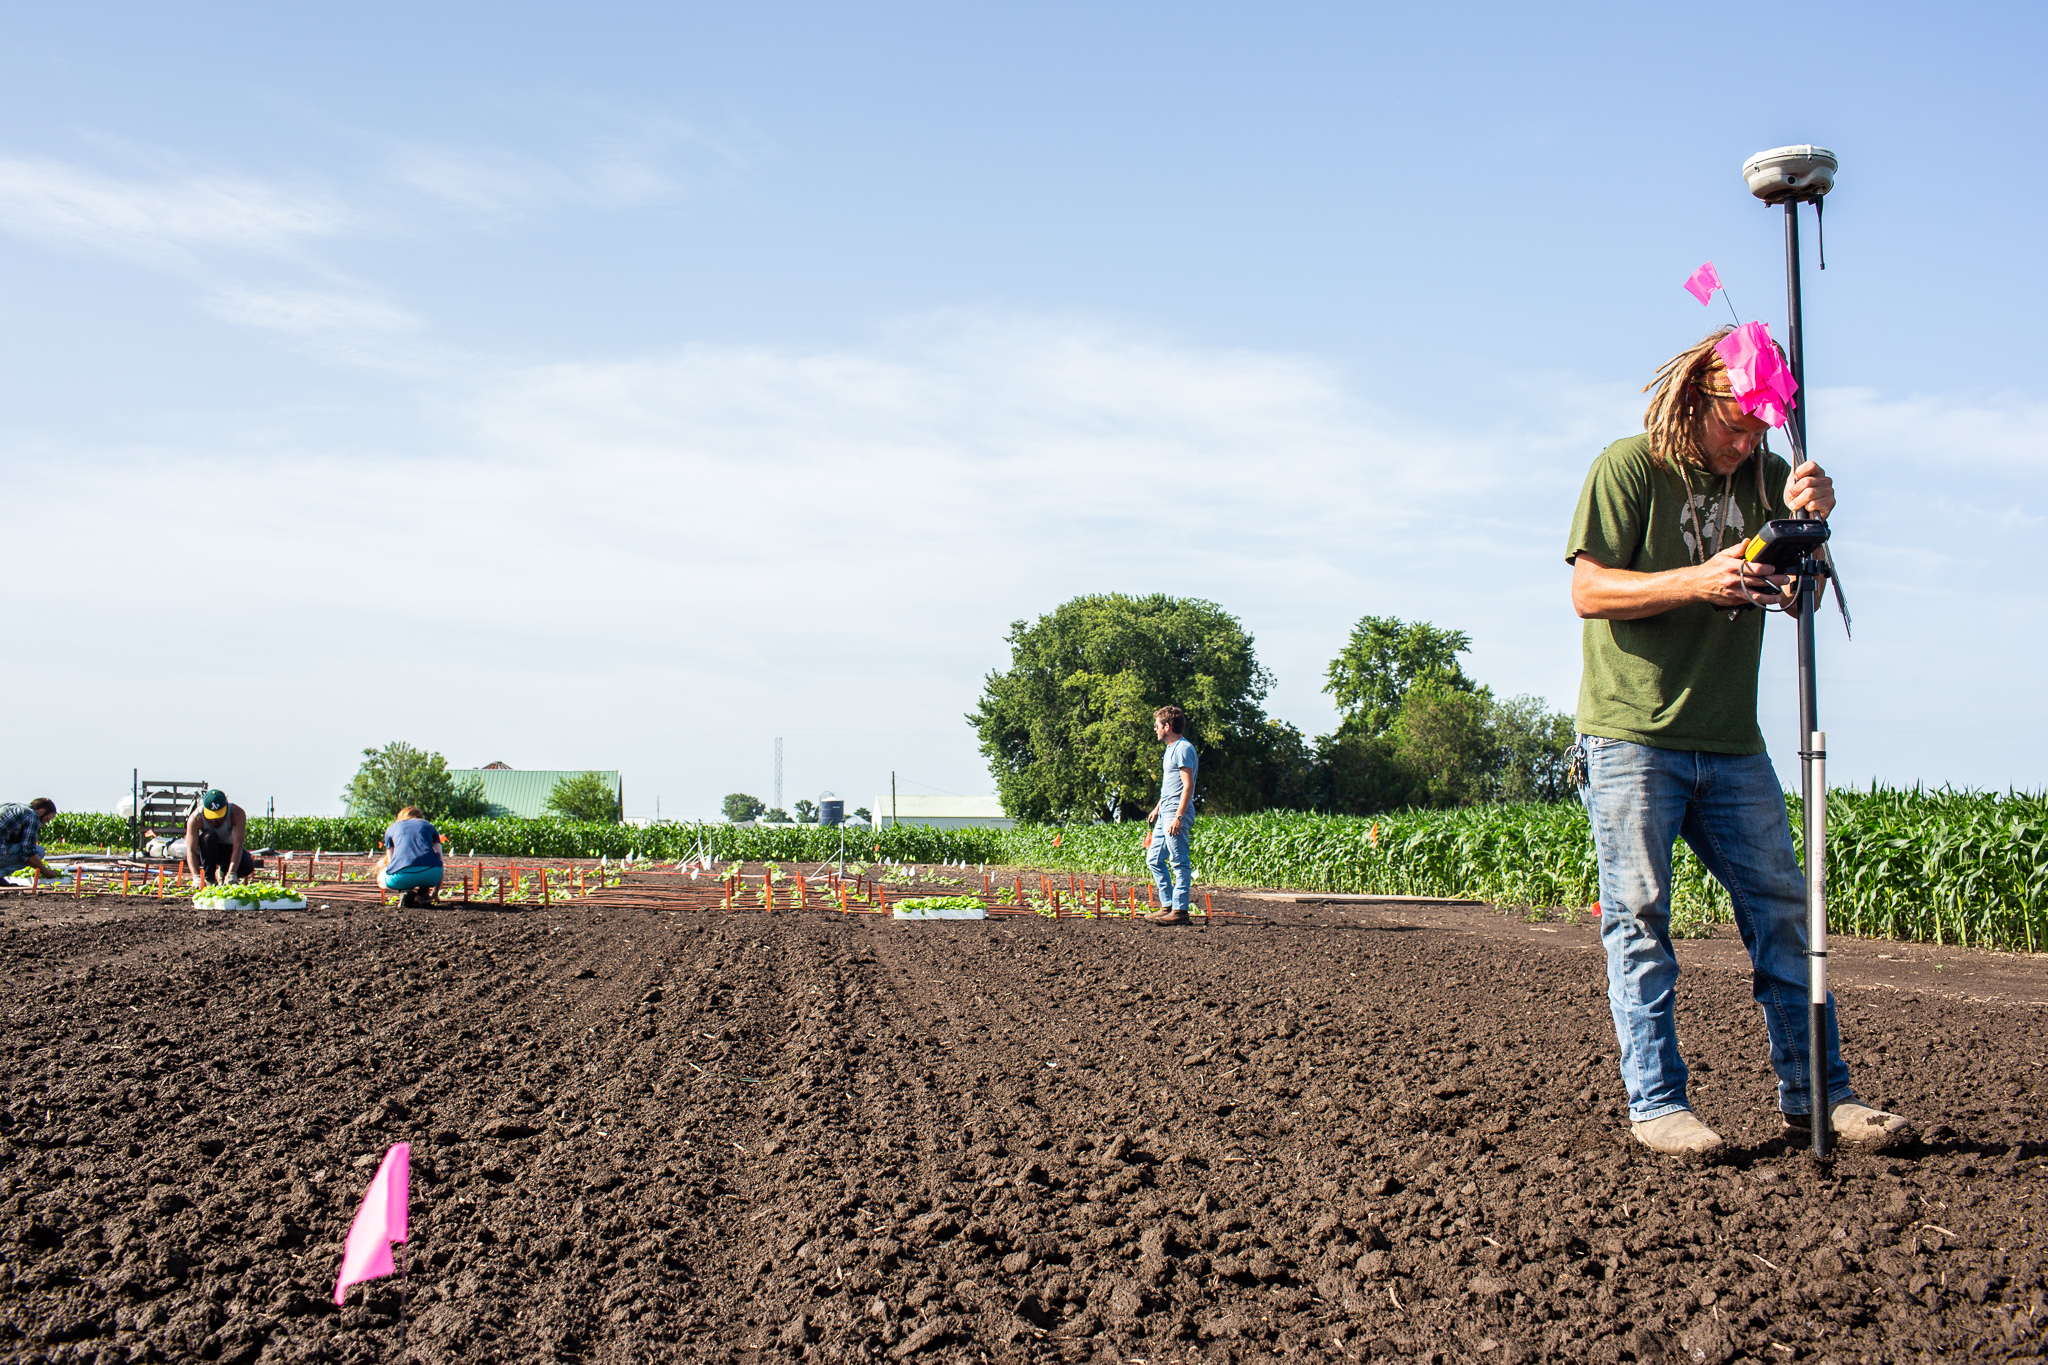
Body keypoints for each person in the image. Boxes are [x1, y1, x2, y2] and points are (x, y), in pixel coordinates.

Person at [1566, 326, 1911, 1157]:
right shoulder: (1629, 465)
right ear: (1698, 395)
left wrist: (1807, 529)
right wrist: (1699, 577)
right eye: (1736, 422)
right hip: (1631, 735)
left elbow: (1801, 602)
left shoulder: (1763, 478)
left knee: (1785, 914)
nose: (1748, 439)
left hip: (1729, 739)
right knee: (1640, 919)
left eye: (1763, 425)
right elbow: (1586, 589)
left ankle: (1819, 1096)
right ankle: (1658, 1104)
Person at [1143, 705, 1199, 926]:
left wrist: (1179, 816)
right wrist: (1157, 807)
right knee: (1154, 859)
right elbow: (1170, 786)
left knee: (1179, 862)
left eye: (1157, 725)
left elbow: (1188, 786)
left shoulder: (1184, 749)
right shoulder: (1170, 749)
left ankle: (1180, 910)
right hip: (1165, 810)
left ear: (1167, 726)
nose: (1155, 729)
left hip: (1176, 812)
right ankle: (1167, 905)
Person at [374, 806, 444, 908]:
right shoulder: (429, 826)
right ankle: (424, 894)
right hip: (432, 875)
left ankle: (404, 890)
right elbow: (441, 860)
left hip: (403, 876)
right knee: (428, 863)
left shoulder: (392, 828)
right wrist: (435, 893)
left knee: (380, 879)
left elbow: (391, 862)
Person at [185, 789, 256, 885]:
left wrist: (232, 873)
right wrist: (196, 876)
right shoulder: (196, 818)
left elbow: (237, 847)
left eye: (219, 815)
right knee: (208, 837)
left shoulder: (237, 813)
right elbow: (191, 851)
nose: (215, 820)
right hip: (206, 852)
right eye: (212, 816)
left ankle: (223, 873)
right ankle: (209, 879)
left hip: (227, 850)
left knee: (248, 864)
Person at [0, 799, 62, 880]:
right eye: (46, 820)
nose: (43, 824)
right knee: (39, 851)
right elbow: (28, 852)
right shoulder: (32, 816)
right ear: (41, 812)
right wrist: (47, 872)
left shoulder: (8, 806)